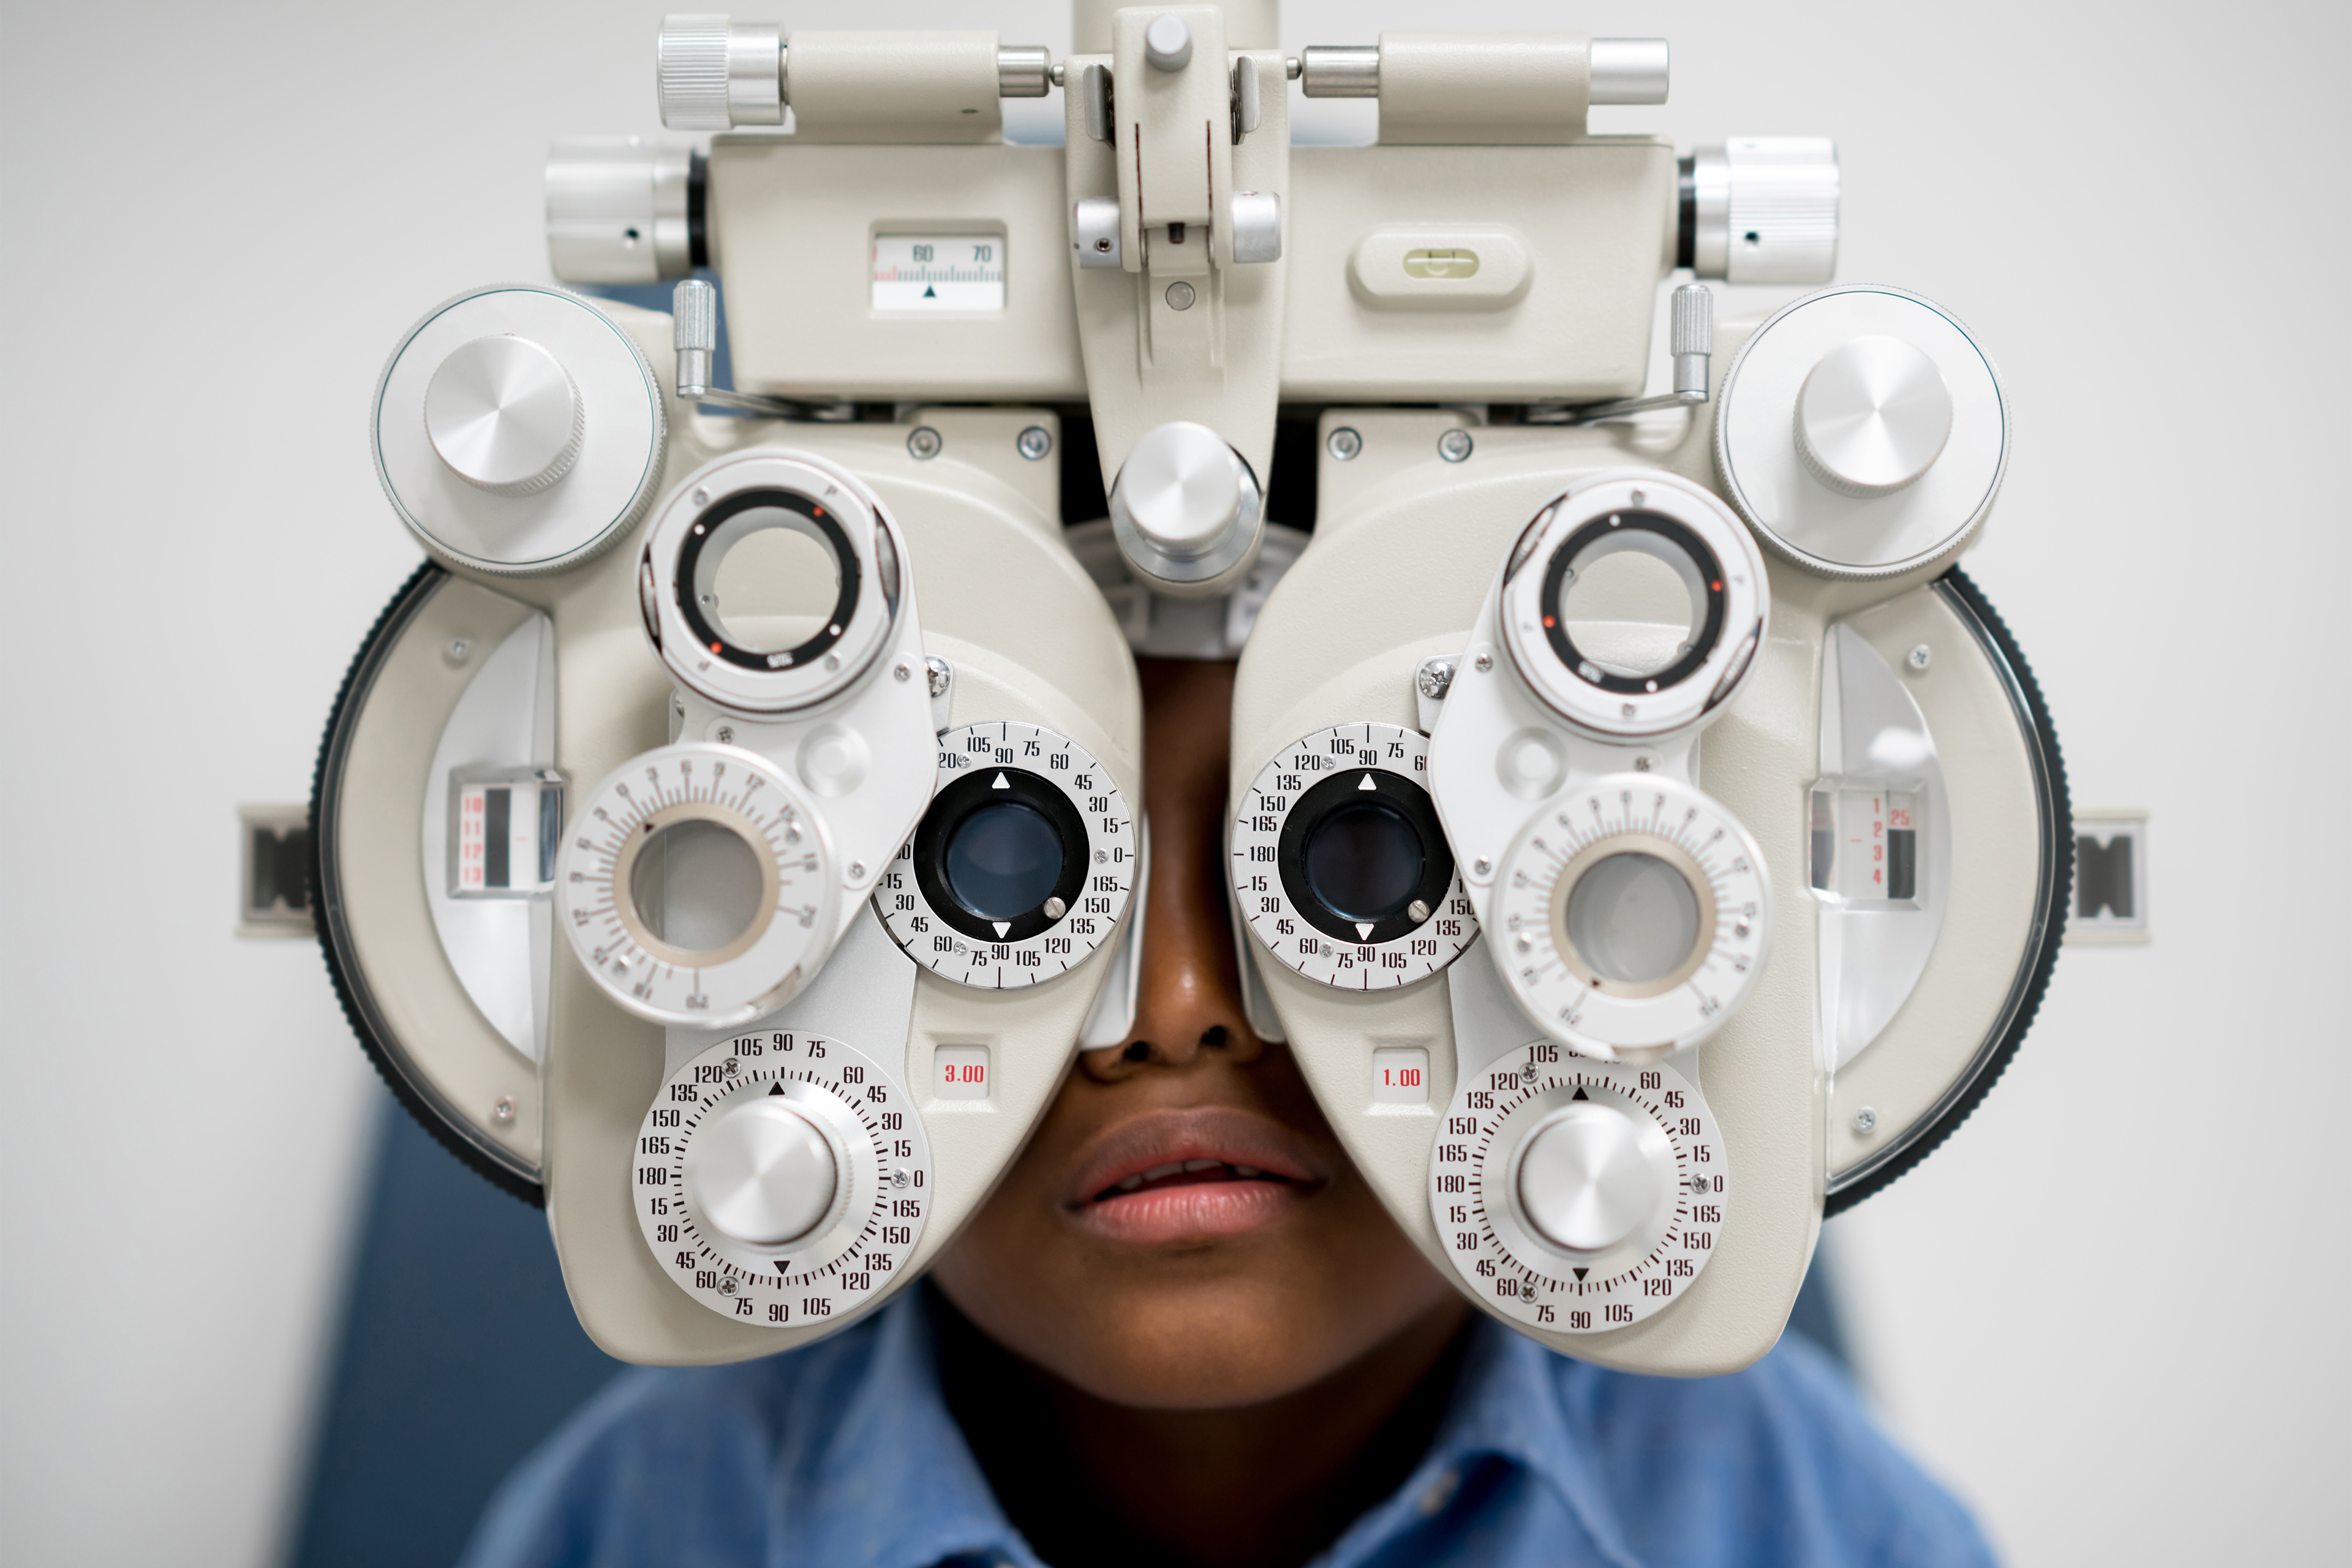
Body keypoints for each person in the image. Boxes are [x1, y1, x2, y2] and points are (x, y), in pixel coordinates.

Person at [461, 660, 1996, 1568]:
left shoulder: (1825, 1530)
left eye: (1365, 862)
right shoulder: (634, 1523)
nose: (1174, 1003)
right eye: (991, 864)